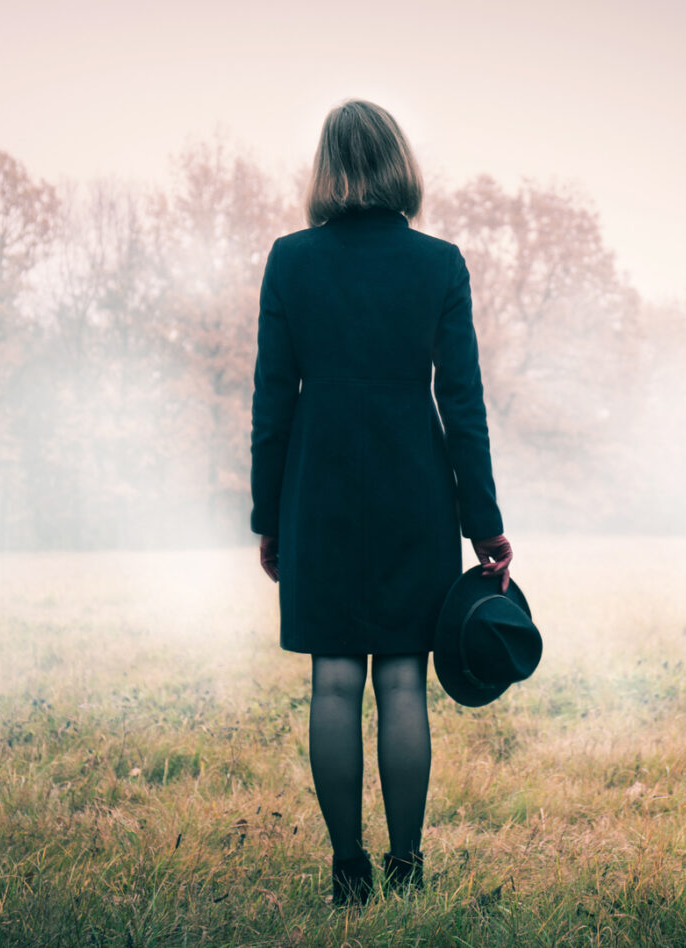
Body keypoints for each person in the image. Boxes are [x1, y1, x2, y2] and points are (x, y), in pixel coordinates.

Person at [249, 98, 512, 907]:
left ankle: (347, 871)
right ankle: (406, 866)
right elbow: (462, 408)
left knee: (334, 679)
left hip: (319, 488)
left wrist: (268, 517)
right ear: (400, 162)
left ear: (326, 167)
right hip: (414, 489)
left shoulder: (290, 262)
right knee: (402, 680)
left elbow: (271, 403)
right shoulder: (440, 265)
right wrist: (485, 526)